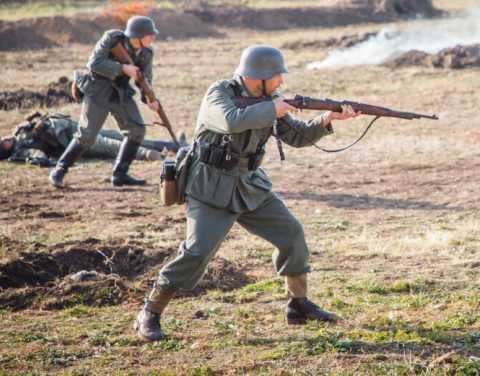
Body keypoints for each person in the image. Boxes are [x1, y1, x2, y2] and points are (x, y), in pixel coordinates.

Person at [134, 45, 359, 342]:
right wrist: (272, 109)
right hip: (210, 186)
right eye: (277, 75)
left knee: (291, 235)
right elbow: (229, 120)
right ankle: (150, 312)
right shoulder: (220, 93)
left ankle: (297, 304)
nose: (281, 80)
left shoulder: (269, 100)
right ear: (259, 75)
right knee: (197, 252)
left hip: (249, 184)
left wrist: (327, 118)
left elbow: (296, 136)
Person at [49, 16, 162, 188]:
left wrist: (149, 98)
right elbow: (94, 63)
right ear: (137, 35)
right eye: (149, 34)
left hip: (120, 93)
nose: (153, 37)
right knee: (87, 135)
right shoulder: (112, 39)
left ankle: (120, 174)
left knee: (137, 131)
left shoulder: (146, 53)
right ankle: (59, 170)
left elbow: (145, 80)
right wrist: (122, 68)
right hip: (97, 91)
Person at [0, 112, 179, 165]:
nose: (5, 138)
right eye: (4, 141)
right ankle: (148, 154)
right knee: (113, 145)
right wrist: (38, 160)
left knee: (123, 136)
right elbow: (38, 155)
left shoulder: (16, 138)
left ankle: (172, 145)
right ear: (6, 149)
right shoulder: (22, 149)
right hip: (76, 141)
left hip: (76, 127)